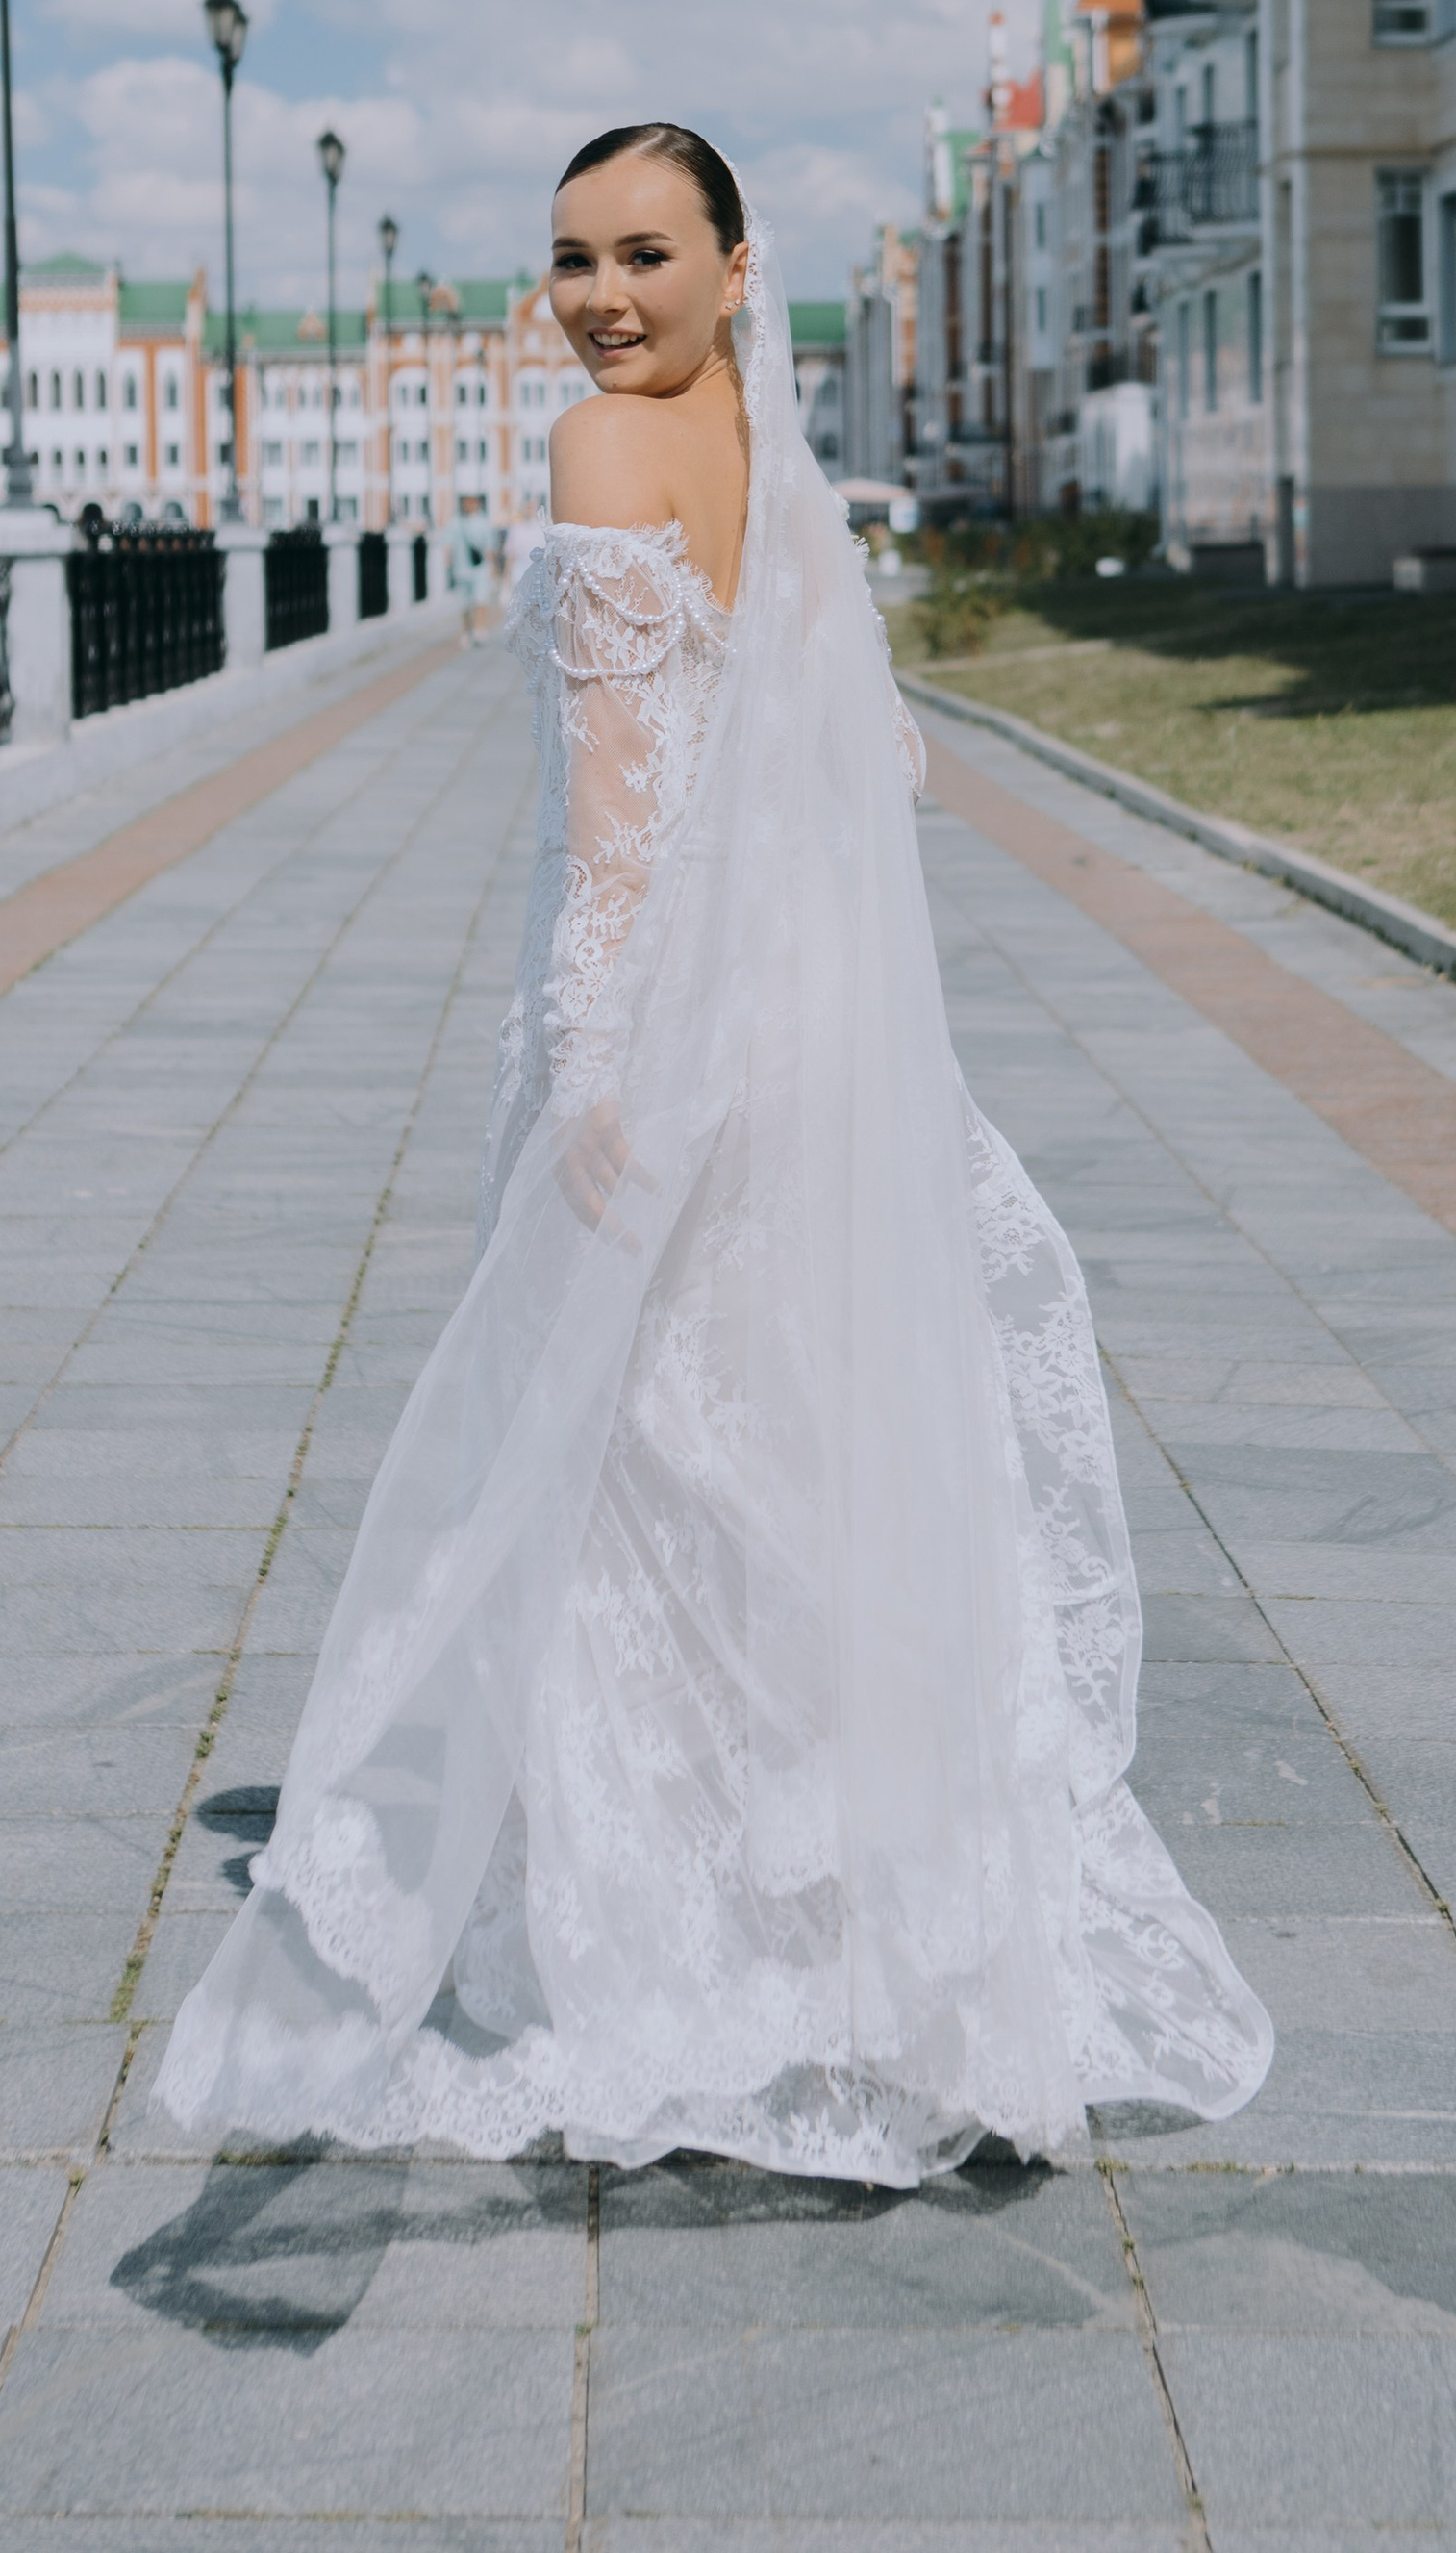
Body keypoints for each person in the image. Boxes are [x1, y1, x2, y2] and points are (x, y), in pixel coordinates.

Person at [160, 124, 1271, 2183]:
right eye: (571, 258)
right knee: (791, 1439)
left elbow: (619, 799)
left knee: (629, 1459)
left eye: (644, 252)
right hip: (823, 1007)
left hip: (675, 1007)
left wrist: (596, 1069)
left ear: (735, 262)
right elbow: (882, 746)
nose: (599, 295)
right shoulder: (773, 448)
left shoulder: (603, 448)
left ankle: (689, 1945)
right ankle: (851, 1931)